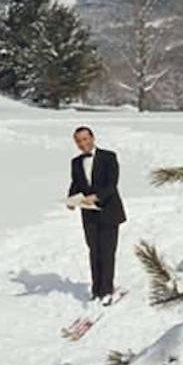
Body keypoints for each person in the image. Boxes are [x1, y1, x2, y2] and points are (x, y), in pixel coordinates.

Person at [66, 126, 126, 303]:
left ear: (92, 138)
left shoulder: (109, 157)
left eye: (85, 139)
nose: (82, 143)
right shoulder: (76, 162)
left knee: (107, 251)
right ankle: (96, 290)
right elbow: (76, 183)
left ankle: (107, 290)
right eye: (78, 141)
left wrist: (97, 197)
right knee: (94, 251)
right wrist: (71, 200)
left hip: (109, 211)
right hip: (89, 214)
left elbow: (112, 184)